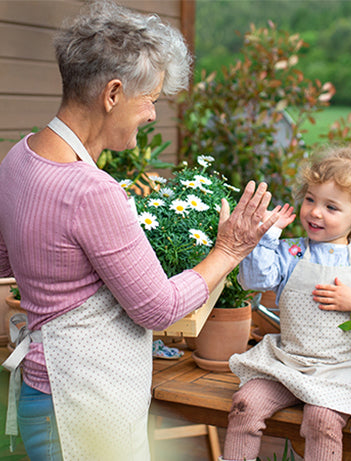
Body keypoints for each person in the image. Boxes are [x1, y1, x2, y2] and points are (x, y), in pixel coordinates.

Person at [0, 2, 278, 459]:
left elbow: (12, 257)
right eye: (149, 98)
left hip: (45, 396)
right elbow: (159, 309)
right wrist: (229, 249)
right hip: (79, 408)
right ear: (112, 94)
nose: (152, 114)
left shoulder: (20, 157)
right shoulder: (91, 190)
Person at [222, 146, 351, 461]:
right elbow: (254, 280)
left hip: (342, 369)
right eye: (310, 199)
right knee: (244, 405)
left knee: (321, 420)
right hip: (286, 362)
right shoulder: (289, 253)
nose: (315, 212)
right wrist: (266, 237)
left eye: (331, 207)